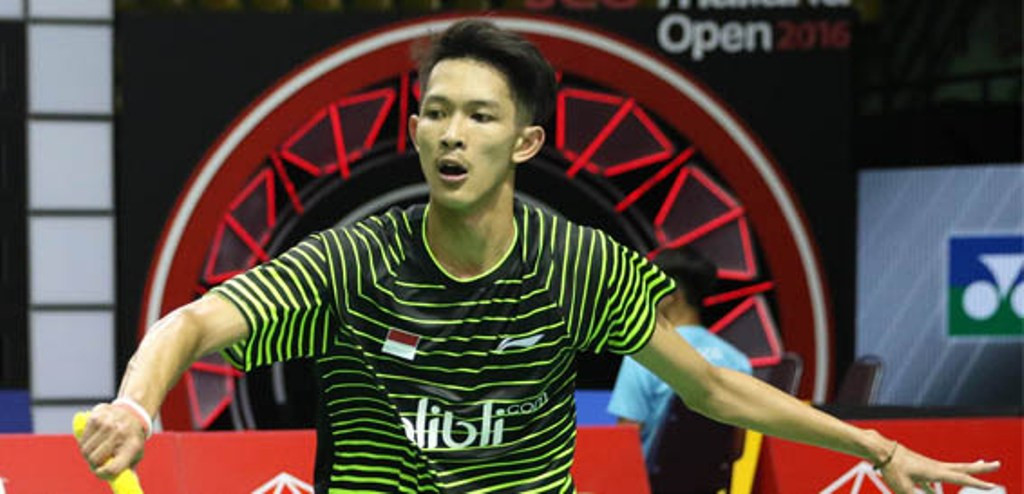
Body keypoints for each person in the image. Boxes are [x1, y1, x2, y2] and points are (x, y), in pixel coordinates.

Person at [77, 18, 1000, 494]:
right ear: (415, 129)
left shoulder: (579, 265)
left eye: (480, 115)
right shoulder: (356, 262)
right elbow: (193, 322)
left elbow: (716, 390)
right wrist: (135, 403)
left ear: (524, 142)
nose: (452, 132)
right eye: (436, 111)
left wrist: (877, 446)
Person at [608, 247, 752, 464]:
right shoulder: (738, 362)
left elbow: (625, 443)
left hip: (650, 482)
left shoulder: (642, 355)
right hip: (711, 482)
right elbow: (736, 449)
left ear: (671, 295)